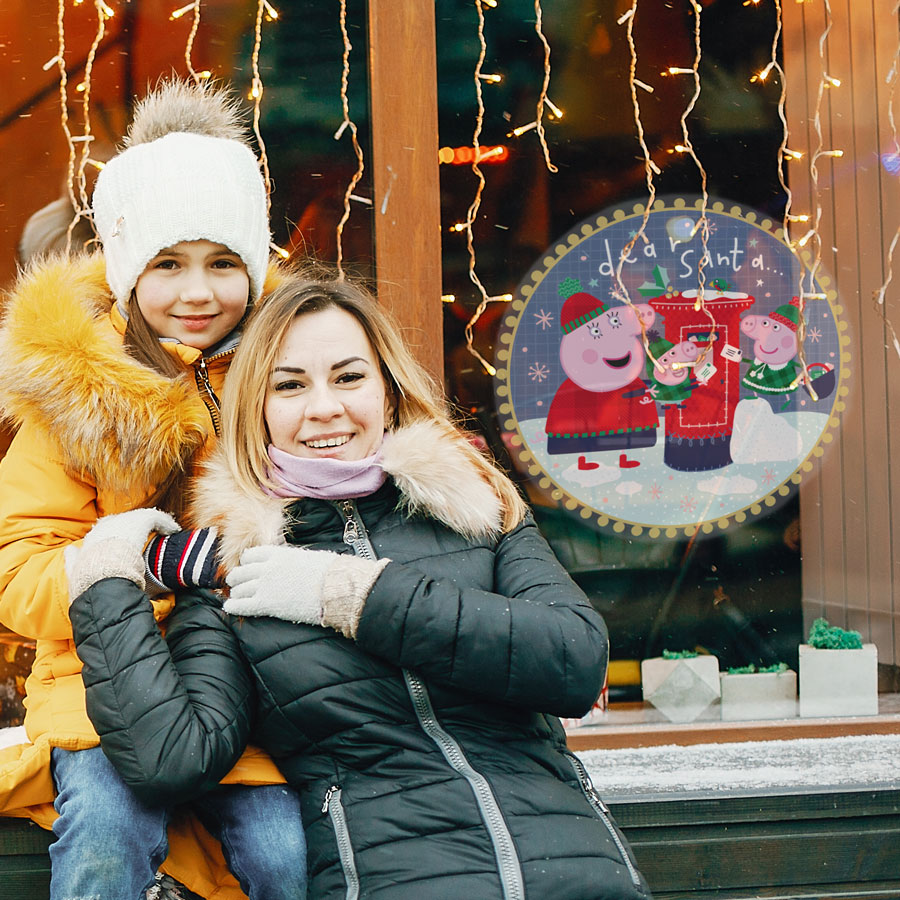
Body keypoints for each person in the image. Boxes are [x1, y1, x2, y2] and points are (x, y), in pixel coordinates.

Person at [68, 272, 652, 899]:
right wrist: (106, 579)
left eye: (349, 377)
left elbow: (574, 660)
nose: (325, 407)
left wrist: (349, 594)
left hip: (580, 878)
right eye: (289, 386)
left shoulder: (478, 510)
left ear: (388, 391)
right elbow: (171, 759)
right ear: (255, 410)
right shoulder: (237, 572)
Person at [0, 79, 307, 900]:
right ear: (130, 268)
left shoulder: (286, 379)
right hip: (97, 693)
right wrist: (128, 569)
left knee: (285, 854)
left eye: (222, 263)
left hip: (244, 688)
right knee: (105, 837)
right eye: (168, 264)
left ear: (256, 264)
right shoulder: (74, 399)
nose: (197, 292)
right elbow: (17, 566)